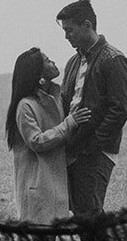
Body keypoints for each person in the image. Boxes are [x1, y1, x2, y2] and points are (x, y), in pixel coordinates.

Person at [56, 0, 127, 215]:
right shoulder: (72, 62)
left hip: (95, 152)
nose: (66, 36)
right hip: (71, 149)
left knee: (89, 217)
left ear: (87, 25)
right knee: (78, 214)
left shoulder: (114, 60)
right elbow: (66, 102)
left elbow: (120, 110)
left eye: (70, 30)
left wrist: (93, 144)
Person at [6, 48, 91, 221]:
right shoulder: (25, 106)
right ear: (38, 74)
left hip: (54, 184)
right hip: (37, 187)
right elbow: (36, 141)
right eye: (47, 60)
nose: (52, 61)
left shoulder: (56, 96)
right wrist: (70, 123)